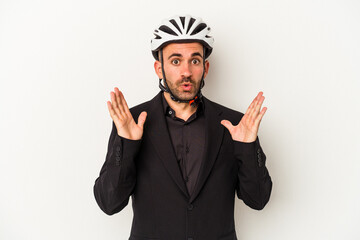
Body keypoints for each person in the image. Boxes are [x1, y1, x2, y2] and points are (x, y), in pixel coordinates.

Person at [94, 15, 272, 240]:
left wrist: (246, 147)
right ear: (159, 68)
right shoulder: (132, 120)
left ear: (205, 68)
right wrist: (128, 145)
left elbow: (258, 200)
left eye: (194, 61)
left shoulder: (235, 124)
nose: (186, 71)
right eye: (176, 61)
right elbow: (109, 203)